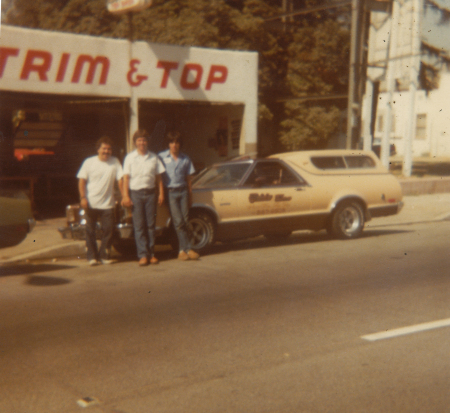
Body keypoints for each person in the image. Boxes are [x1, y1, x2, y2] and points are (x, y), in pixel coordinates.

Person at [77, 136, 123, 266]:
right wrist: (83, 197)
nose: (106, 151)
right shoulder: (89, 162)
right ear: (98, 149)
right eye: (104, 148)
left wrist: (124, 195)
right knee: (90, 231)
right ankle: (92, 257)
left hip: (108, 204)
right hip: (90, 202)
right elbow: (82, 181)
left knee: (109, 230)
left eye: (109, 149)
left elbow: (121, 180)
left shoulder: (115, 162)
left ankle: (104, 256)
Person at [122, 130, 165, 266]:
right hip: (136, 194)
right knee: (139, 226)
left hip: (151, 193)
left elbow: (159, 178)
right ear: (135, 142)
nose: (142, 142)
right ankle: (142, 255)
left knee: (151, 226)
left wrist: (161, 193)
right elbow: (126, 178)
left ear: (148, 142)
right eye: (139, 140)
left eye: (144, 140)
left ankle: (151, 254)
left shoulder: (154, 157)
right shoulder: (129, 158)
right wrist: (125, 196)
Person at [159, 130, 199, 261]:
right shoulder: (161, 157)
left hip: (183, 192)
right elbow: (157, 175)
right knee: (178, 222)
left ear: (180, 144)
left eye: (176, 142)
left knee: (186, 221)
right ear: (168, 144)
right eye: (171, 142)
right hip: (170, 193)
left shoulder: (185, 158)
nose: (174, 145)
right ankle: (184, 250)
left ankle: (186, 249)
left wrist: (190, 196)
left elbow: (188, 179)